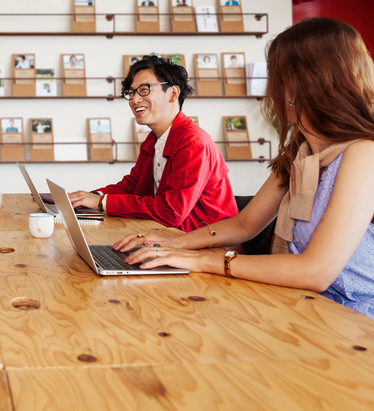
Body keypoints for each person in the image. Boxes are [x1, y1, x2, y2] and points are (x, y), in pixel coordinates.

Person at [116, 19, 374, 319]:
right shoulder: (301, 150)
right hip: (307, 305)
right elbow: (245, 224)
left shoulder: (363, 154)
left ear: (308, 80)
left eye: (276, 75)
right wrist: (175, 243)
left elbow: (315, 271)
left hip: (353, 319)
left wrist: (201, 261)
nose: (271, 88)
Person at [68, 55, 238, 231]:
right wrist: (91, 196)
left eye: (144, 89)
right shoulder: (154, 138)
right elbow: (131, 186)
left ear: (173, 94)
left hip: (211, 246)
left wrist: (102, 202)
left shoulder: (193, 143)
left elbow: (171, 211)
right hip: (173, 238)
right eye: (131, 93)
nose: (134, 100)